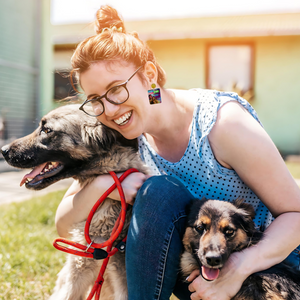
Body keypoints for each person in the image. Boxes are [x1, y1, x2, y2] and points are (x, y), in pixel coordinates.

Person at [55, 5, 300, 300]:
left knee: (159, 191)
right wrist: (106, 184)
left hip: (269, 270)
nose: (108, 110)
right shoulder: (125, 135)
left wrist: (238, 268)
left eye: (116, 90)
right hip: (202, 273)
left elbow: (295, 213)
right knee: (159, 193)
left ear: (148, 75)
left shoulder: (223, 125)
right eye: (95, 100)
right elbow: (64, 222)